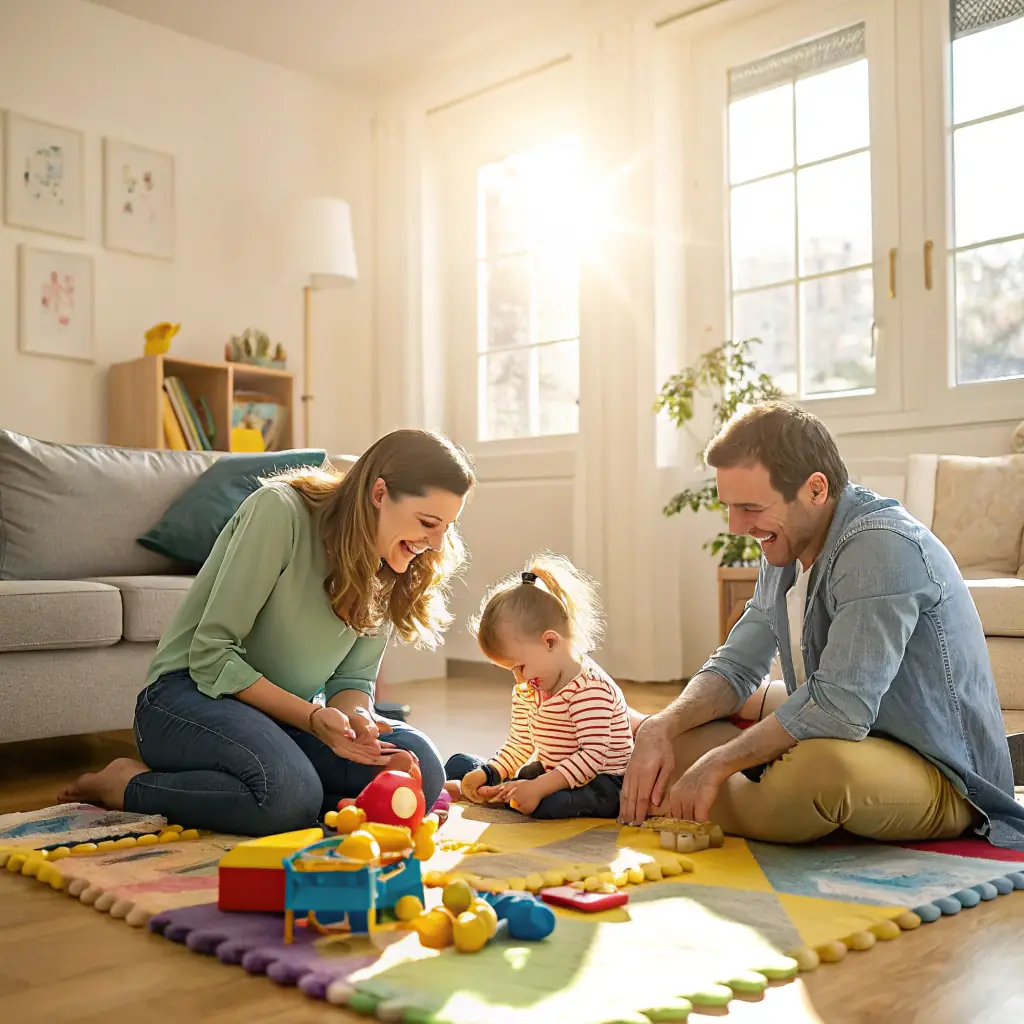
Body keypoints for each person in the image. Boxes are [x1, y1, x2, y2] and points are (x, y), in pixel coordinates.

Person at [620, 401, 1024, 852]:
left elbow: (838, 707)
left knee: (818, 771)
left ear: (815, 489)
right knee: (683, 731)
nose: (737, 527)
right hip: (864, 736)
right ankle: (658, 769)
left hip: (945, 777)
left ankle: (650, 795)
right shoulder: (785, 546)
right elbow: (735, 666)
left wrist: (715, 764)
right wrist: (661, 727)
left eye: (751, 507)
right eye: (730, 508)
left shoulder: (881, 547)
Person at [60, 429, 475, 837]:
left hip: (285, 717)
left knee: (422, 764)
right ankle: (126, 785)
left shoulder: (392, 561)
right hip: (186, 698)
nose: (437, 543)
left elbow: (351, 681)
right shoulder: (280, 511)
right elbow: (212, 655)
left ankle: (286, 790)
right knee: (287, 797)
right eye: (428, 522)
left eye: (447, 527)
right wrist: (313, 719)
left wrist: (358, 720)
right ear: (380, 494)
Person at [445, 553, 636, 819]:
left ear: (549, 642)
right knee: (462, 765)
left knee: (548, 803)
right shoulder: (530, 690)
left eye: (520, 667)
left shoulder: (591, 689)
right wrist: (490, 772)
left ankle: (506, 794)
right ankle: (494, 789)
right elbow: (519, 744)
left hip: (603, 782)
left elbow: (592, 757)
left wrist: (539, 787)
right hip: (553, 771)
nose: (519, 679)